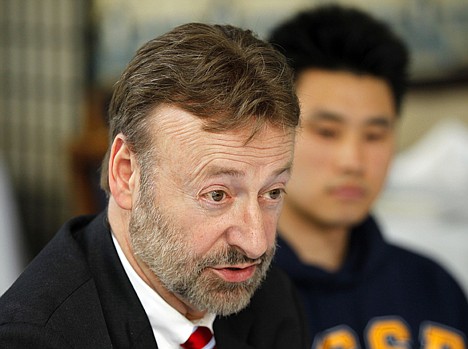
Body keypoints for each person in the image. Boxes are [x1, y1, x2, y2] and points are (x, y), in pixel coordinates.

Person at [0, 23, 310, 348]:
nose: (256, 243)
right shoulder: (35, 338)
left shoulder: (271, 300)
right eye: (217, 195)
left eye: (272, 192)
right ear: (126, 174)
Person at [269, 5, 468, 349]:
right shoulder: (226, 296)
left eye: (374, 135)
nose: (353, 161)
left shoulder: (431, 286)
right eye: (327, 132)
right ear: (269, 130)